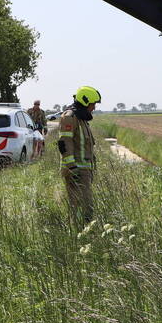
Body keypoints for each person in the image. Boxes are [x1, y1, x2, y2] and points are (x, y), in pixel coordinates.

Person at [58, 86, 101, 223]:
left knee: (86, 206)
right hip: (76, 170)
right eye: (93, 104)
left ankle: (84, 231)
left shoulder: (81, 118)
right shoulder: (70, 117)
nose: (94, 108)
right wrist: (72, 167)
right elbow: (64, 143)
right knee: (79, 206)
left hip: (84, 170)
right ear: (85, 101)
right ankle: (78, 233)